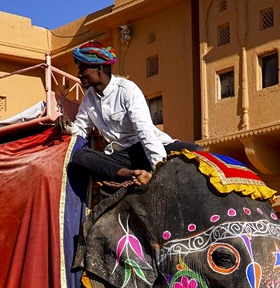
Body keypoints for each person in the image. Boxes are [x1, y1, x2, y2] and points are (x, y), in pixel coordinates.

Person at [56, 41, 199, 187]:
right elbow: (81, 130)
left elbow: (145, 131)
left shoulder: (127, 90)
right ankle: (130, 174)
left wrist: (159, 169)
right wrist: (66, 126)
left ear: (98, 69)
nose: (79, 74)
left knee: (198, 153)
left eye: (82, 69)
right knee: (80, 157)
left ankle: (149, 173)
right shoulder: (88, 98)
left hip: (144, 147)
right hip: (122, 154)